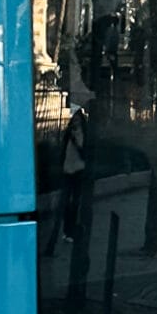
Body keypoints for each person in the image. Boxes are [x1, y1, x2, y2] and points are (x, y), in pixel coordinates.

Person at [59, 96, 90, 243]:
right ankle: (66, 230)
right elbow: (63, 151)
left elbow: (84, 151)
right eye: (74, 119)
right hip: (67, 170)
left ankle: (73, 230)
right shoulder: (68, 134)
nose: (76, 122)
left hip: (79, 170)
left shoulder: (82, 134)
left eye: (78, 119)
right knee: (66, 203)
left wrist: (77, 140)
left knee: (75, 202)